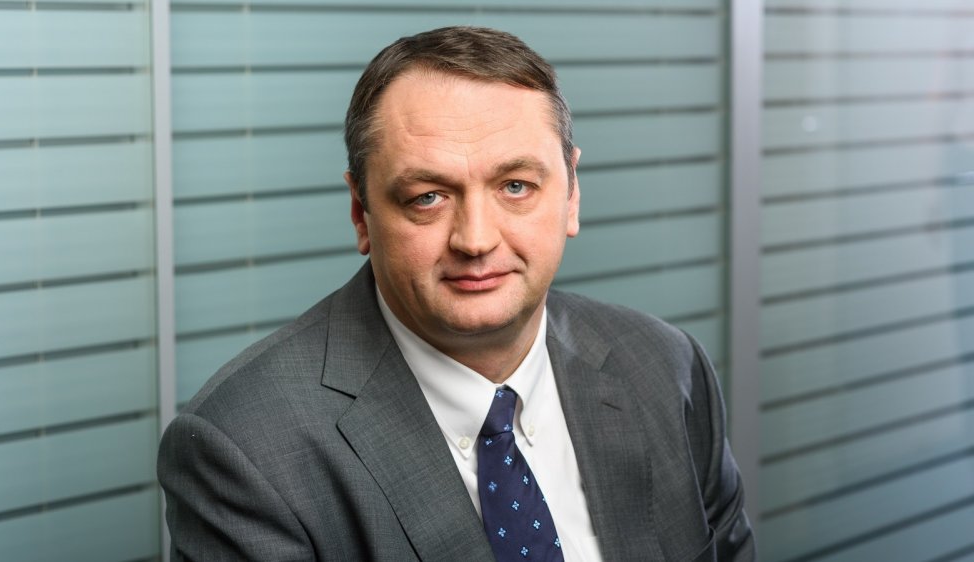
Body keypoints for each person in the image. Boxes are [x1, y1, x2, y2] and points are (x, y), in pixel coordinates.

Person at [158, 26, 755, 561]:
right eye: (427, 197)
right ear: (361, 213)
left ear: (572, 194)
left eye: (515, 186)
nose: (475, 239)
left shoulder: (666, 367)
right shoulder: (247, 450)